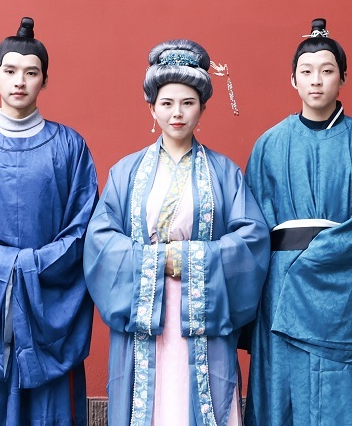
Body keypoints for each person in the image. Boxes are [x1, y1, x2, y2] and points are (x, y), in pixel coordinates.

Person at [85, 39, 269, 426]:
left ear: (202, 108)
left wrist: (189, 259)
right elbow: (100, 242)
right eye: (167, 103)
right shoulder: (126, 172)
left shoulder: (225, 173)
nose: (177, 113)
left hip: (202, 309)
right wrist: (155, 261)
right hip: (143, 313)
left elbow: (251, 240)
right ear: (152, 108)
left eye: (188, 102)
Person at [0, 17, 99, 425]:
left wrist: (31, 267)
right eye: (9, 71)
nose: (19, 81)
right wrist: (7, 268)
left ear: (45, 80)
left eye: (31, 72)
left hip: (48, 310)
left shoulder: (70, 148)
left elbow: (82, 230)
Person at [244, 18, 352, 426]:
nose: (316, 80)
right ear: (292, 80)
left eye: (327, 70)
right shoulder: (269, 145)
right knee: (284, 388)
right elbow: (251, 228)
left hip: (346, 289)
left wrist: (316, 259)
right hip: (282, 288)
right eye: (307, 71)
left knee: (342, 391)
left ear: (343, 78)